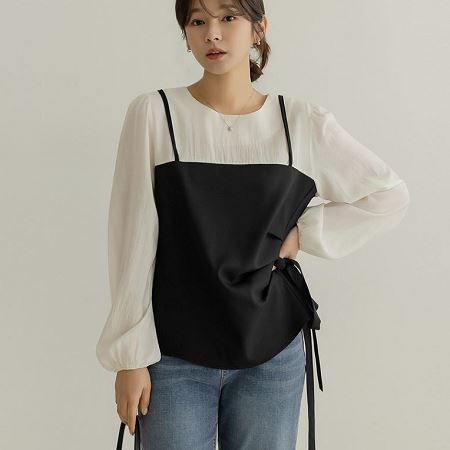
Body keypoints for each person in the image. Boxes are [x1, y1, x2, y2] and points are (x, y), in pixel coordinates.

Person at [95, 1, 411, 449]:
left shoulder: (300, 123)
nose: (212, 33)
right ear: (186, 34)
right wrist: (130, 358)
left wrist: (303, 234)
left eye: (228, 18)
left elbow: (388, 194)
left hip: (272, 352)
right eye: (198, 21)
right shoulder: (154, 114)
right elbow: (131, 240)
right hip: (173, 353)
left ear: (259, 28)